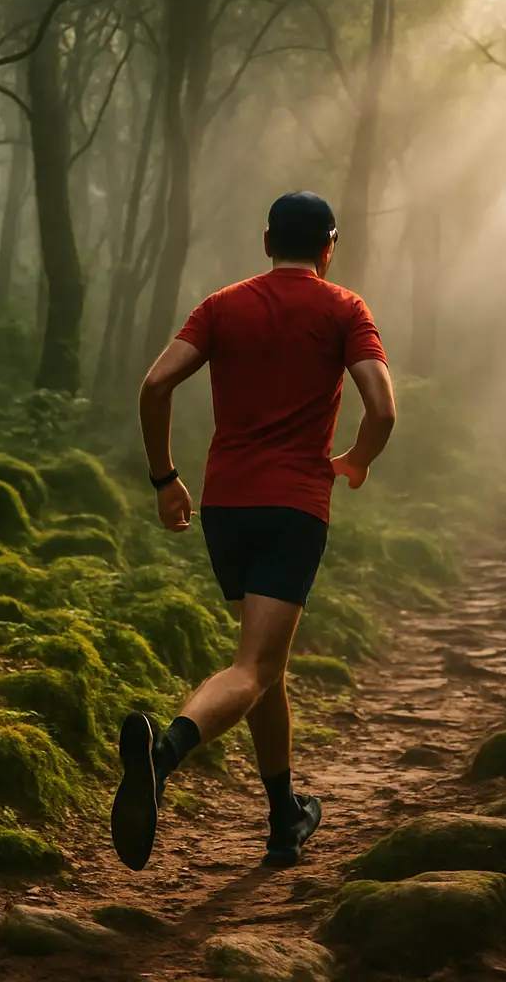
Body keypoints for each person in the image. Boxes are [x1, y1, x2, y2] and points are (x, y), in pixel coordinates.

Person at [112, 191, 397, 872]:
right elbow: (381, 410)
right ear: (329, 247)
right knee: (254, 666)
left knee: (268, 665)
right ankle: (166, 750)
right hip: (293, 508)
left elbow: (155, 386)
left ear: (266, 239)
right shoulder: (345, 309)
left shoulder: (221, 305)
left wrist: (164, 480)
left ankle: (283, 820)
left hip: (227, 506)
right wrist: (354, 462)